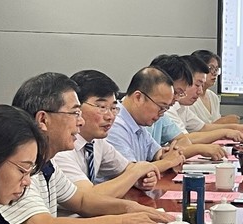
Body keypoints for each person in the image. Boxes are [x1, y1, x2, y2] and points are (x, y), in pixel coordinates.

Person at [0, 73, 174, 224]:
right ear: (43, 120)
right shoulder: (20, 166)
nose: (80, 122)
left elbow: (82, 200)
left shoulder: (47, 163)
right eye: (74, 113)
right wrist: (121, 222)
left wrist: (132, 208)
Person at [53, 70, 162, 198]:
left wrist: (143, 178)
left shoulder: (97, 142)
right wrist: (136, 173)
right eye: (102, 107)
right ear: (77, 108)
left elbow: (128, 168)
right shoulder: (61, 149)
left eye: (113, 108)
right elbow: (87, 198)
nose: (110, 116)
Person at [158, 54, 243, 141]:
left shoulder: (182, 106)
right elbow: (183, 140)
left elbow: (202, 128)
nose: (200, 91)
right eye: (197, 85)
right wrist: (225, 132)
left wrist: (236, 128)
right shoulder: (167, 108)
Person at [107, 66, 188, 168]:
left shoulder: (137, 122)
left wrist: (169, 154)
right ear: (138, 97)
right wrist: (168, 162)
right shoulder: (114, 124)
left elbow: (157, 153)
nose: (162, 114)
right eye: (161, 107)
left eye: (166, 108)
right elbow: (131, 172)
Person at [189, 49, 240, 124]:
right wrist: (223, 122)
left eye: (216, 69)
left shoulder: (213, 97)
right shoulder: (189, 98)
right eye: (210, 68)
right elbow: (195, 129)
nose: (215, 73)